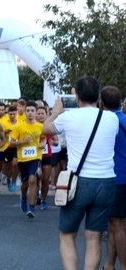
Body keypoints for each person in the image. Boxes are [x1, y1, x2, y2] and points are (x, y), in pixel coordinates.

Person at [42, 76, 118, 270]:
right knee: (93, 237)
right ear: (98, 97)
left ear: (77, 97)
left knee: (67, 234)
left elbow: (46, 129)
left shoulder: (68, 117)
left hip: (78, 182)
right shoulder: (111, 118)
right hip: (106, 181)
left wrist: (55, 112)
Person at [99, 86, 126, 270]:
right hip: (121, 176)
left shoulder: (107, 122)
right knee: (115, 225)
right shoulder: (123, 119)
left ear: (101, 102)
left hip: (116, 177)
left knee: (116, 225)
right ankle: (109, 264)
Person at [9, 101, 44, 219]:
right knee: (25, 184)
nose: (30, 113)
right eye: (28, 111)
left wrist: (42, 144)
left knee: (33, 180)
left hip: (36, 157)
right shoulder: (19, 126)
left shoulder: (40, 126)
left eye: (32, 111)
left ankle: (32, 207)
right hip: (23, 158)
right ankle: (23, 197)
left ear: (35, 112)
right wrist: (23, 141)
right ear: (25, 112)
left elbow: (44, 138)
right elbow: (11, 143)